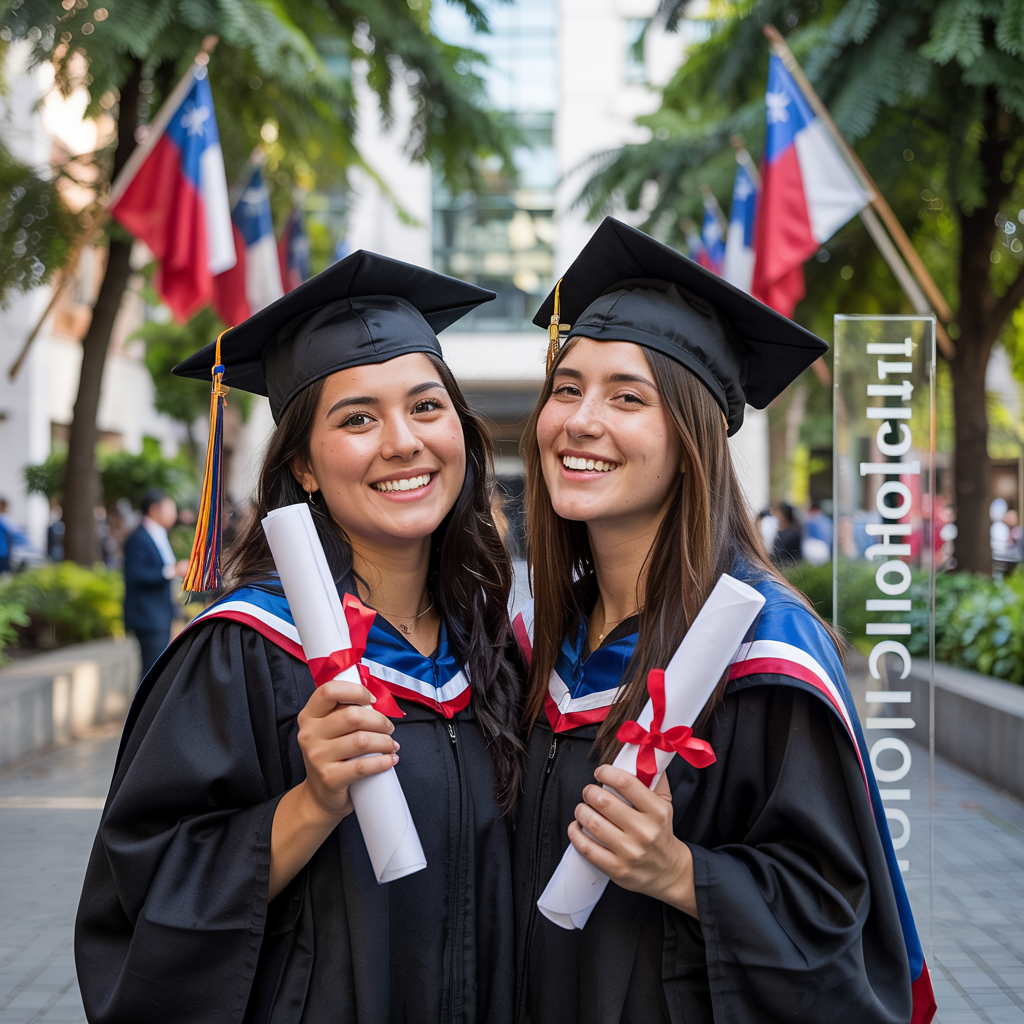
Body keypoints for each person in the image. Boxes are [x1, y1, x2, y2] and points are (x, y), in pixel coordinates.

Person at [75, 251, 524, 1024]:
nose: (403, 442)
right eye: (356, 418)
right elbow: (141, 900)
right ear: (304, 468)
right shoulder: (244, 652)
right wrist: (312, 802)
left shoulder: (495, 648)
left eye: (426, 407)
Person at [511, 219, 934, 1024]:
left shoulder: (767, 648)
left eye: (627, 396)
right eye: (566, 388)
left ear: (690, 438)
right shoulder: (537, 641)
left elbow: (832, 918)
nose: (580, 419)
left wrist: (675, 870)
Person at [121, 489, 189, 679]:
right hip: (148, 617)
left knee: (156, 672)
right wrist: (171, 571)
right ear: (154, 509)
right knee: (150, 674)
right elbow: (136, 574)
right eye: (169, 508)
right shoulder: (139, 538)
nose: (173, 513)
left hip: (160, 614)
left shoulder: (158, 534)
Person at [770, 500, 802, 565]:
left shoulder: (792, 533)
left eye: (778, 513)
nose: (776, 516)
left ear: (784, 516)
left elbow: (781, 552)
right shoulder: (780, 531)